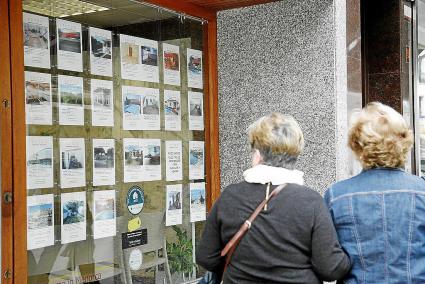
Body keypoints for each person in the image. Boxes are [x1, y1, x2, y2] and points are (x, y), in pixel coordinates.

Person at [197, 113, 351, 283]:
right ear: (295, 155)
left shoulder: (229, 197)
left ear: (257, 155)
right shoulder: (312, 202)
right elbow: (330, 268)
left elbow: (206, 257)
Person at [325, 102, 425, 283]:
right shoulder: (422, 191)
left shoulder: (336, 195)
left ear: (357, 144)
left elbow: (330, 263)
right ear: (404, 141)